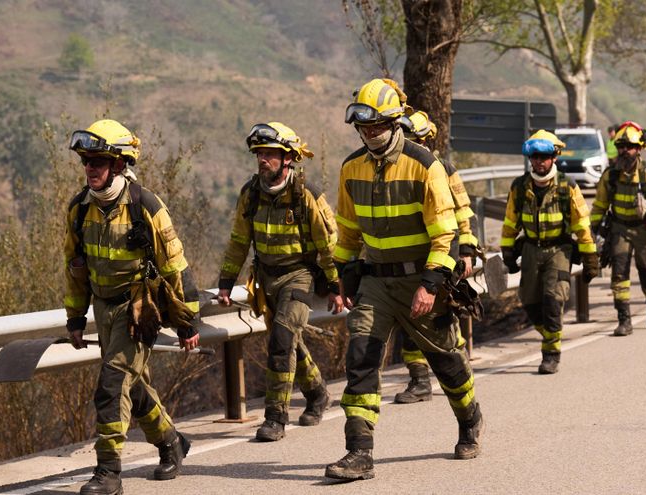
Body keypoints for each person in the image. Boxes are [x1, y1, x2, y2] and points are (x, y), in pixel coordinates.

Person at [326, 78, 483, 480]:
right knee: (361, 359)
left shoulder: (425, 165)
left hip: (420, 282)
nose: (370, 133)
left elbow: (445, 232)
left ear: (395, 122)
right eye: (364, 127)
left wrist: (431, 285)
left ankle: (469, 419)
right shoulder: (351, 167)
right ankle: (359, 453)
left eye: (377, 125)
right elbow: (347, 231)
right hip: (375, 283)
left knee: (447, 363)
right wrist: (341, 278)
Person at [64, 119, 200, 495]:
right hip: (103, 312)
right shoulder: (78, 210)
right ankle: (172, 442)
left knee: (111, 385)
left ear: (119, 165)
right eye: (86, 161)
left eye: (98, 160)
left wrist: (188, 323)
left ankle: (108, 473)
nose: (90, 167)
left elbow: (176, 266)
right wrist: (75, 318)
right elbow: (75, 270)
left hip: (138, 311)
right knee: (133, 388)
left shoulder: (146, 206)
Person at [217, 122, 342, 442]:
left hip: (299, 276)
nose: (262, 159)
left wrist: (335, 284)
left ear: (288, 158)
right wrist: (226, 282)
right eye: (259, 153)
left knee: (282, 340)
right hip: (265, 279)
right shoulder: (250, 194)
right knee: (289, 344)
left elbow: (328, 243)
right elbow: (238, 242)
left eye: (270, 154)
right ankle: (316, 394)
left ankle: (275, 417)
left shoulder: (306, 195)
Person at [392, 110, 480, 403]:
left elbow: (463, 214)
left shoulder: (444, 169)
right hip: (409, 258)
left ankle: (456, 370)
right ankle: (419, 380)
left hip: (443, 256)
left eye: (415, 141)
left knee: (442, 321)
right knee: (409, 319)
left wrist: (466, 253)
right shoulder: (395, 170)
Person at [501, 130, 598, 374]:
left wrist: (590, 259)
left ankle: (551, 355)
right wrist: (508, 253)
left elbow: (581, 224)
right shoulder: (520, 186)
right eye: (535, 156)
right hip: (531, 250)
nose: (539, 161)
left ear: (554, 158)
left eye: (544, 156)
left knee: (553, 301)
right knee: (530, 303)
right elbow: (510, 222)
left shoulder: (567, 186)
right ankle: (552, 336)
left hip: (559, 250)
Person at [590, 121, 646, 336]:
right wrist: (593, 229)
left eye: (630, 146)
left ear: (639, 148)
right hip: (619, 229)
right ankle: (624, 320)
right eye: (622, 146)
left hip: (645, 231)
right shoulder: (611, 175)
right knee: (619, 273)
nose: (625, 151)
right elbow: (600, 204)